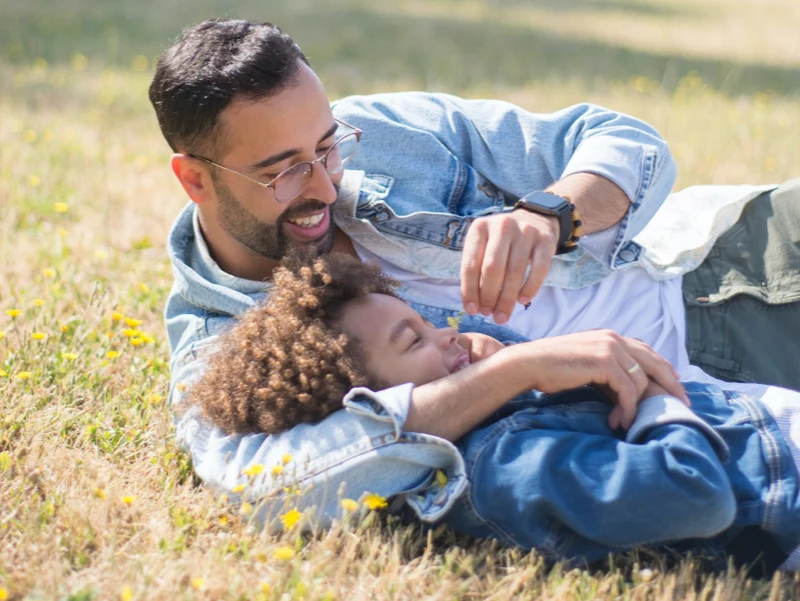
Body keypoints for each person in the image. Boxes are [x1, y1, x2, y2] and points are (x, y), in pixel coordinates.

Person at [148, 18, 800, 539]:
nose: (325, 184)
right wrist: (516, 371)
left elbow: (627, 141)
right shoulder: (219, 341)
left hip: (728, 262)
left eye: (326, 146)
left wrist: (549, 213)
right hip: (715, 418)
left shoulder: (381, 132)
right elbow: (265, 487)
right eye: (281, 170)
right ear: (194, 178)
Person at [187, 252, 800, 571]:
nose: (448, 336)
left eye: (429, 324)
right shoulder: (498, 464)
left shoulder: (496, 412)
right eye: (414, 341)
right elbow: (694, 494)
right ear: (371, 401)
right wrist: (659, 398)